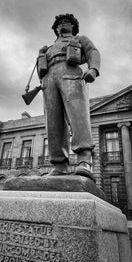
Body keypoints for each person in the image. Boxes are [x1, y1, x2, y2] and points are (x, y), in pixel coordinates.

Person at [37, 13, 100, 180]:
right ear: (55, 29)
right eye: (59, 23)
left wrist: (93, 69)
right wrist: (41, 56)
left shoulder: (80, 39)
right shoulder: (48, 49)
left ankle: (84, 159)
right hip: (49, 82)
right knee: (53, 123)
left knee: (78, 117)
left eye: (66, 22)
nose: (62, 24)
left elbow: (93, 51)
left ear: (73, 26)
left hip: (71, 75)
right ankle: (60, 165)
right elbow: (40, 71)